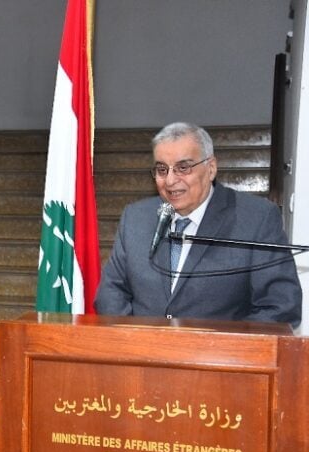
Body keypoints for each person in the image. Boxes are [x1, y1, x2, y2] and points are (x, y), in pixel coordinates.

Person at [94, 122, 301, 328]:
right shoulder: (136, 217)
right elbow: (111, 291)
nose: (170, 180)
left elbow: (281, 307)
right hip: (143, 354)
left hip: (219, 357)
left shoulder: (256, 219)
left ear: (210, 169)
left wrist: (214, 347)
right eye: (162, 169)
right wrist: (134, 340)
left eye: (183, 168)